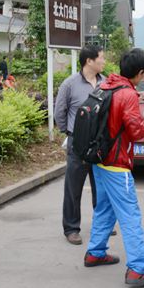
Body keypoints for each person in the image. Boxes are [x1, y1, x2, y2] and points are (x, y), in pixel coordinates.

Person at [84, 48, 144, 287]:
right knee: (130, 216)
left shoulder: (108, 86)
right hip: (117, 164)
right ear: (140, 73)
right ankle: (138, 269)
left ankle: (95, 252)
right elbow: (136, 131)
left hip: (99, 160)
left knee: (105, 210)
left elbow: (114, 117)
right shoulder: (127, 94)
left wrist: (133, 102)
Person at [54, 45, 106, 245]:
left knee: (100, 185)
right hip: (78, 142)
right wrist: (69, 132)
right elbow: (60, 112)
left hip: (100, 142)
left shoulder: (105, 83)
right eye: (101, 58)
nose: (104, 61)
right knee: (74, 187)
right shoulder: (70, 84)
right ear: (89, 61)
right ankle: (71, 228)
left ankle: (101, 224)